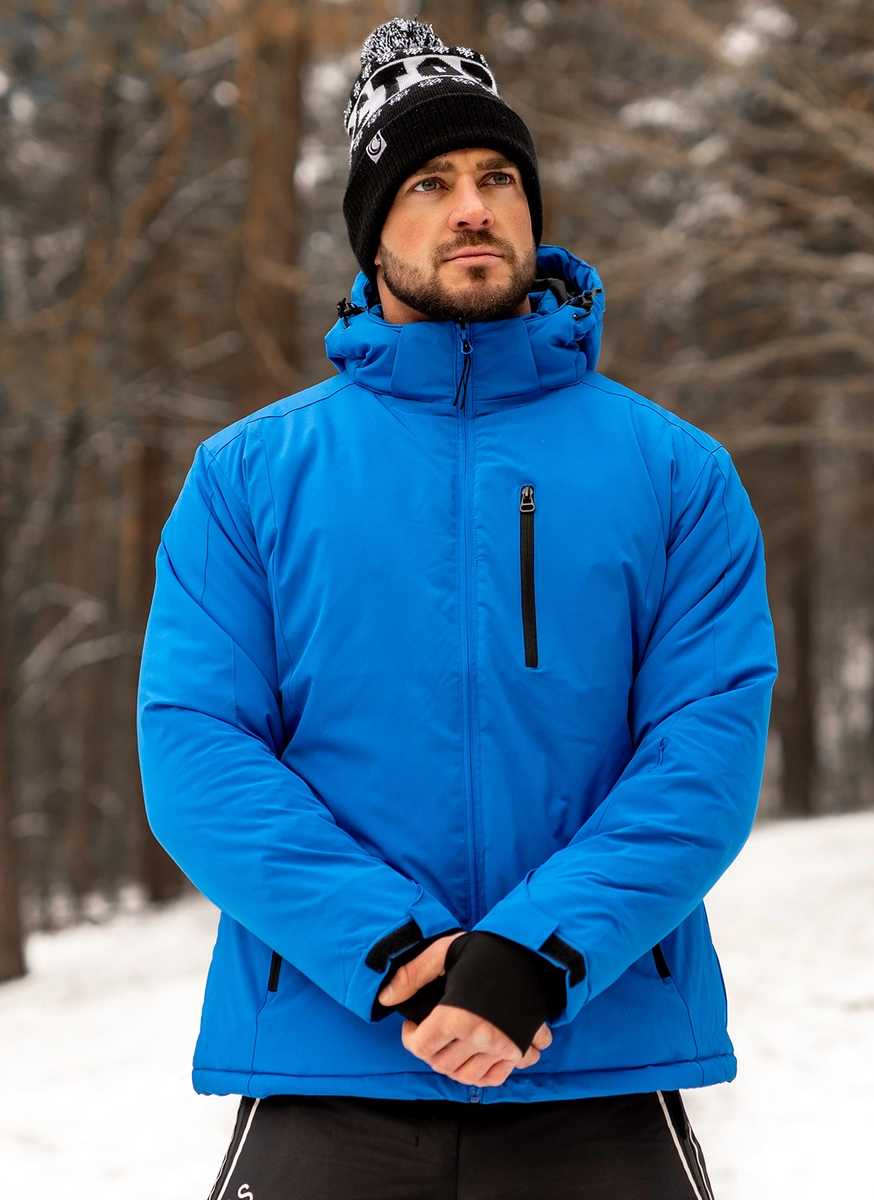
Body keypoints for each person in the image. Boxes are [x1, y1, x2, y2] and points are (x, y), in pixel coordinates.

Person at [137, 18, 777, 1200]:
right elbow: (196, 751)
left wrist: (536, 956)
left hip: (594, 1064)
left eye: (497, 178)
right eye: (428, 183)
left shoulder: (676, 473)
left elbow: (706, 751)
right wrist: (397, 953)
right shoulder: (248, 478)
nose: (473, 208)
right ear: (373, 228)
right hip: (336, 1063)